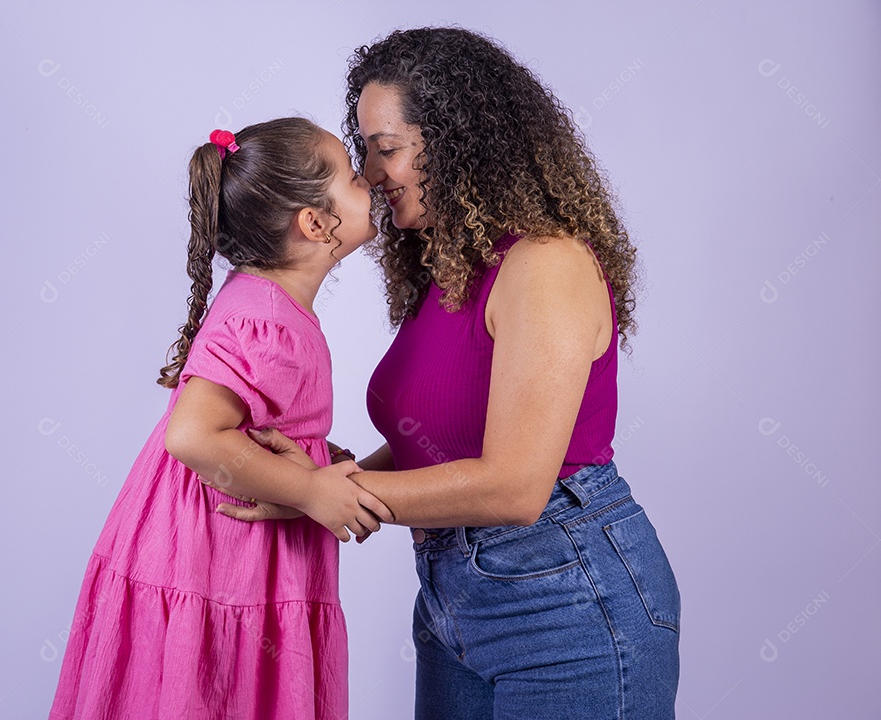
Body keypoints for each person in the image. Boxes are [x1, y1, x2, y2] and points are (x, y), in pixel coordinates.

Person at [219, 28, 681, 719]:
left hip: (568, 598)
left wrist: (328, 496)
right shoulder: (453, 266)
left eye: (387, 150)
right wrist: (324, 478)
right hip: (451, 600)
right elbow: (440, 436)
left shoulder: (545, 263)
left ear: (459, 138)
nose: (372, 177)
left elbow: (515, 485)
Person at [47, 117, 394, 720]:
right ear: (314, 223)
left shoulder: (264, 302)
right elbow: (192, 434)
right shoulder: (265, 318)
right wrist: (310, 487)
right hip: (219, 557)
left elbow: (250, 421)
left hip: (214, 546)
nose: (371, 179)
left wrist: (312, 452)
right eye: (353, 176)